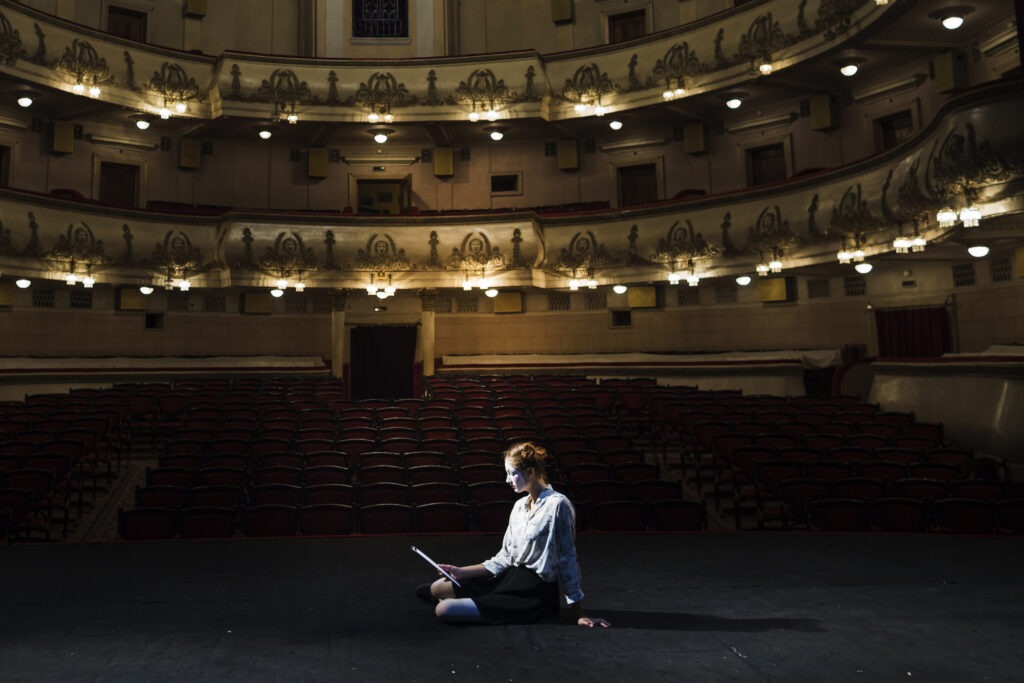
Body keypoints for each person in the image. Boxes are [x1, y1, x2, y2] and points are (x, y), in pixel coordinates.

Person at [418, 442, 610, 628]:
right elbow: (505, 557)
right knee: (436, 588)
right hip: (510, 577)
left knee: (443, 609)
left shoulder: (558, 505)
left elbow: (568, 557)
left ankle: (464, 603)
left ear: (530, 472)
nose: (507, 480)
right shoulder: (519, 506)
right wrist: (461, 571)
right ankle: (465, 599)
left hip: (533, 592)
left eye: (512, 474)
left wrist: (578, 613)